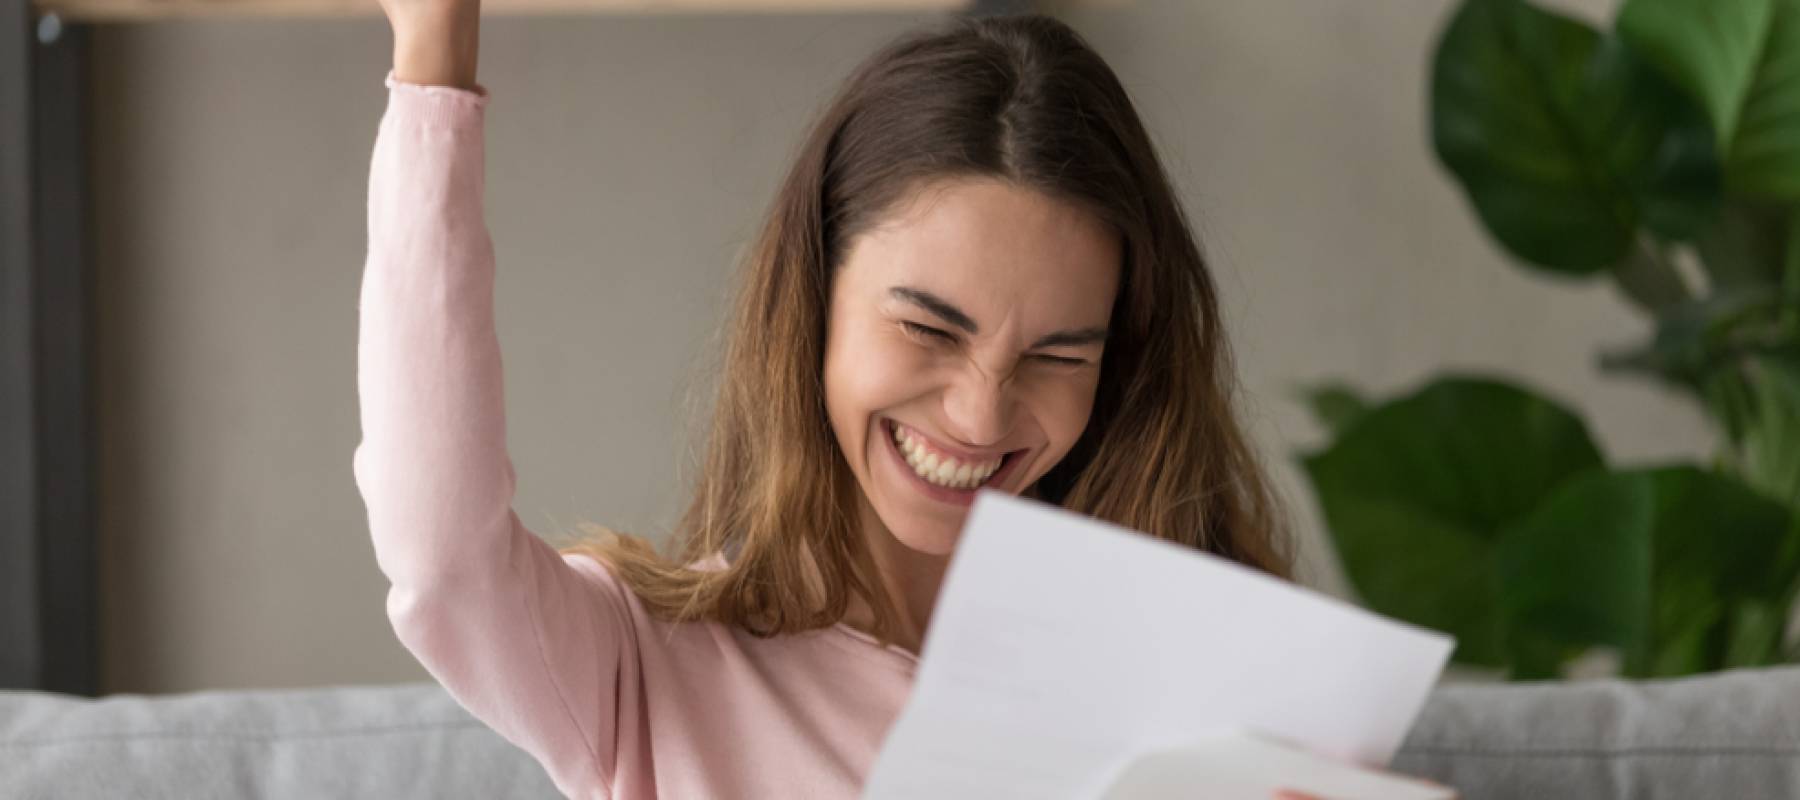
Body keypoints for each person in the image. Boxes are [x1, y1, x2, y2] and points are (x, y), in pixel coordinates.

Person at [354, 1, 1446, 798]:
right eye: (928, 327)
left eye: (1058, 354)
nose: (979, 415)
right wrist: (434, 60)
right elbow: (443, 557)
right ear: (814, 303)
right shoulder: (647, 666)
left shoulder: (1209, 688)